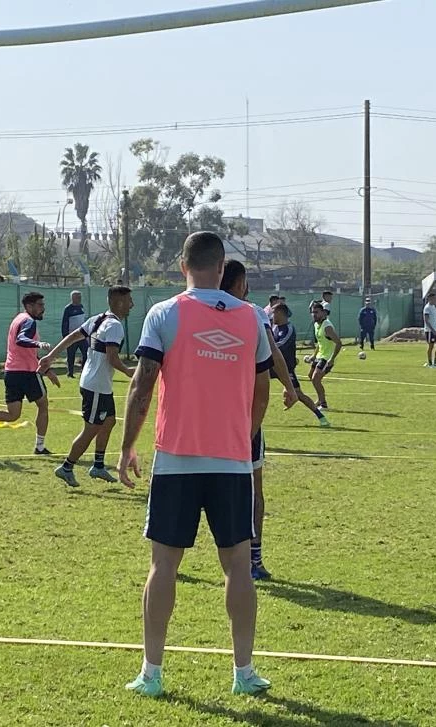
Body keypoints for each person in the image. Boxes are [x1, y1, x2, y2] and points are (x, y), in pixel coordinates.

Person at [117, 231, 273, 698]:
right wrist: (242, 436)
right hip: (231, 463)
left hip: (177, 460)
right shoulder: (252, 318)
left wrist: (126, 446)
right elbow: (262, 389)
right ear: (222, 268)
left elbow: (142, 386)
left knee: (163, 566)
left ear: (181, 266)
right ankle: (244, 672)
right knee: (238, 567)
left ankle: (152, 673)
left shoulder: (164, 314)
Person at [219, 260, 299, 581]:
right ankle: (254, 559)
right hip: (244, 413)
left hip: (206, 415)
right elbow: (272, 356)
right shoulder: (252, 313)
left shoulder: (194, 309)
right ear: (240, 283)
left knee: (194, 484)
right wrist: (290, 388)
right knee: (253, 488)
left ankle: (168, 552)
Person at [39, 286, 136, 485]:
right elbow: (112, 357)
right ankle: (66, 467)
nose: (132, 305)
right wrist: (129, 372)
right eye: (129, 301)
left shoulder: (98, 319)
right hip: (97, 386)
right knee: (91, 429)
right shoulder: (114, 326)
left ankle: (98, 466)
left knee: (109, 422)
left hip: (96, 384)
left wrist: (51, 355)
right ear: (119, 302)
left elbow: (73, 336)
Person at [0, 292, 58, 454]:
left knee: (13, 415)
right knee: (43, 405)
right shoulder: (29, 322)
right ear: (29, 306)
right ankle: (40, 446)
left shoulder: (18, 319)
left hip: (11, 372)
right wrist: (38, 343)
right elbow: (21, 340)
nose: (43, 309)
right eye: (40, 305)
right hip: (28, 373)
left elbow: (27, 351)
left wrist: (48, 370)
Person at [272, 304, 329, 427]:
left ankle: (321, 417)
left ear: (281, 314)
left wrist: (264, 349)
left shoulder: (289, 329)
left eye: (274, 313)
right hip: (270, 365)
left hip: (285, 368)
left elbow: (279, 345)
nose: (272, 316)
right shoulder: (275, 327)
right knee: (253, 383)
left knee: (299, 394)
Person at [308, 301, 342, 409]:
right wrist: (314, 355)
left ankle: (323, 404)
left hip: (326, 358)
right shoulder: (316, 324)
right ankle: (320, 399)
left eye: (316, 312)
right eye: (313, 312)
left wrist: (331, 359)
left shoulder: (327, 326)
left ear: (323, 312)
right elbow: (320, 342)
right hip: (320, 356)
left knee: (315, 379)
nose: (314, 315)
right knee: (311, 376)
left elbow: (339, 343)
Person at [61, 290, 87, 378]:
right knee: (71, 355)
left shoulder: (81, 307)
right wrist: (65, 335)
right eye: (78, 297)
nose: (80, 299)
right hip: (71, 336)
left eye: (80, 297)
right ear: (73, 298)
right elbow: (64, 322)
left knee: (86, 353)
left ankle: (83, 371)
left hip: (82, 335)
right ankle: (70, 373)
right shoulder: (68, 308)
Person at [423, 292, 436, 368]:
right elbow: (426, 320)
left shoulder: (433, 306)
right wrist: (432, 330)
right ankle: (430, 363)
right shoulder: (427, 308)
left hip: (435, 329)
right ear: (430, 299)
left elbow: (434, 319)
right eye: (434, 298)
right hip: (430, 331)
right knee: (431, 346)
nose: (435, 300)